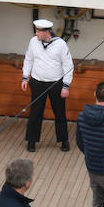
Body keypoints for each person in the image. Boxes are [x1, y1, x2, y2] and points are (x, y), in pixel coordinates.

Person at [22, 18, 74, 152]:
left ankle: (64, 140)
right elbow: (28, 59)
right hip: (37, 82)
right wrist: (25, 77)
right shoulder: (33, 42)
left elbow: (68, 65)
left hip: (56, 84)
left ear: (46, 32)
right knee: (35, 113)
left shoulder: (61, 44)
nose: (36, 34)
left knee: (59, 113)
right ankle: (31, 141)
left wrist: (66, 86)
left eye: (38, 31)